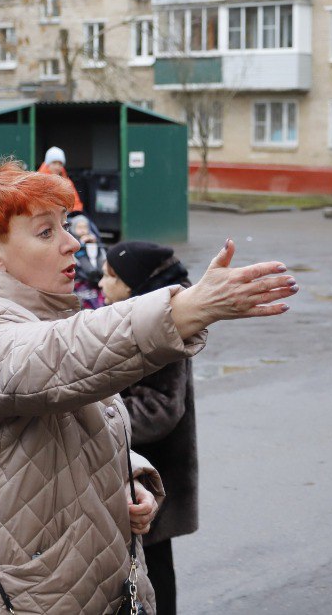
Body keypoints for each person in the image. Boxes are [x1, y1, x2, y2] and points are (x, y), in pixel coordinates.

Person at [0, 161, 297, 613]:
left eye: (65, 226)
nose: (73, 243)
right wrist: (183, 309)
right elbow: (49, 361)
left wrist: (126, 479)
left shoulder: (44, 312)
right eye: (46, 233)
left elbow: (54, 428)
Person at [101, 242, 198, 615]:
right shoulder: (131, 316)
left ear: (133, 285)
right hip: (135, 470)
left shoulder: (156, 329)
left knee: (152, 574)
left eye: (112, 276)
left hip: (151, 472)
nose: (102, 282)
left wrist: (99, 416)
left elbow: (161, 408)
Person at [69, 215, 106, 310]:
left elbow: (102, 261)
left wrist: (93, 245)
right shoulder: (71, 243)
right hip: (81, 283)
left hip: (96, 282)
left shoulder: (95, 242)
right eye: (79, 227)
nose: (83, 230)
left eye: (85, 227)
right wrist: (81, 244)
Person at [38, 145, 84, 213]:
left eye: (60, 164)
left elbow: (75, 203)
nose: (57, 167)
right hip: (46, 215)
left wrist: (75, 212)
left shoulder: (67, 182)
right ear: (48, 164)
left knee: (82, 222)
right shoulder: (38, 180)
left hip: (66, 214)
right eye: (54, 163)